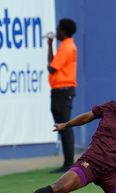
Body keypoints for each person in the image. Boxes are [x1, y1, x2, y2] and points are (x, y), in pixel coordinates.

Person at [48, 18, 78, 173]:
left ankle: (68, 163)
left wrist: (50, 47)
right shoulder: (68, 45)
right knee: (64, 126)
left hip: (62, 90)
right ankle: (68, 162)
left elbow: (52, 68)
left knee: (64, 126)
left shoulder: (65, 47)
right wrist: (50, 45)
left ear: (64, 31)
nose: (57, 30)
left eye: (59, 28)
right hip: (64, 90)